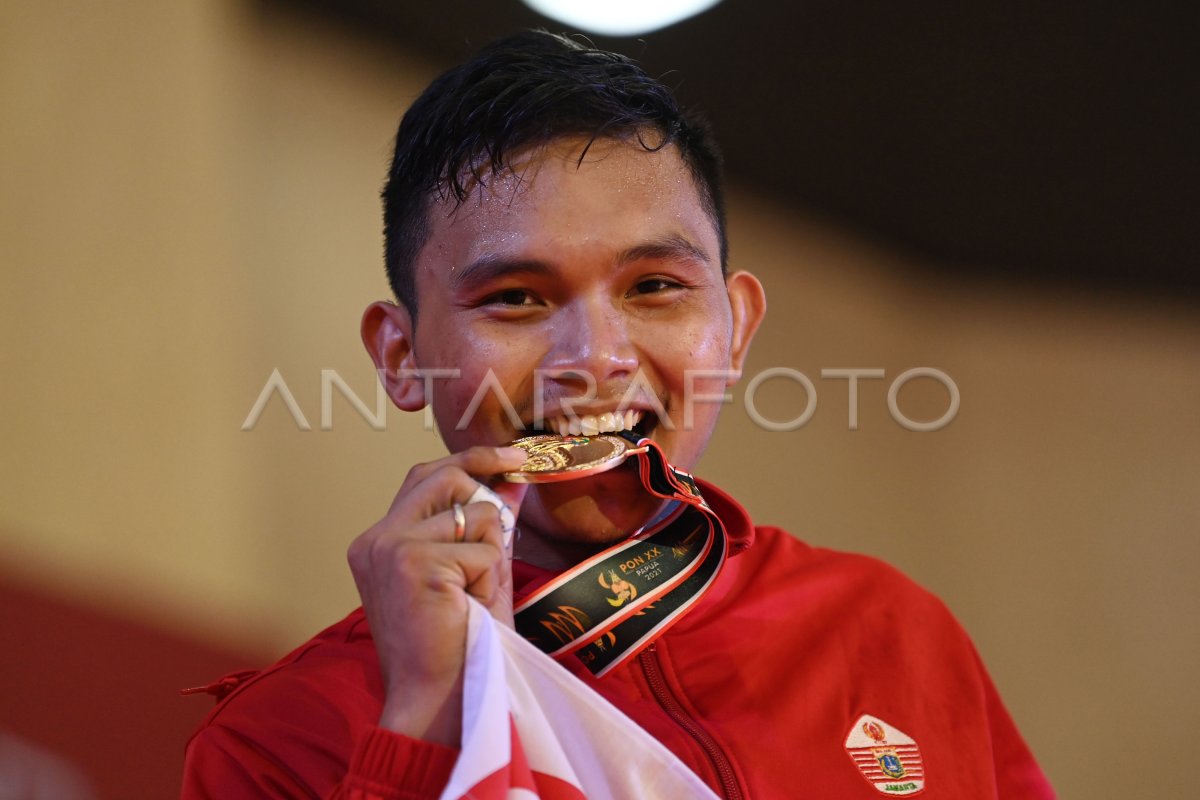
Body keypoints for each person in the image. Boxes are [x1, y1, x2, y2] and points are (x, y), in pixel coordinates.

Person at [182, 30, 1054, 799]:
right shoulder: (283, 741)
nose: (596, 359)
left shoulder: (891, 632)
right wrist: (425, 726)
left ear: (735, 327)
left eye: (655, 288)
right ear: (403, 358)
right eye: (517, 297)